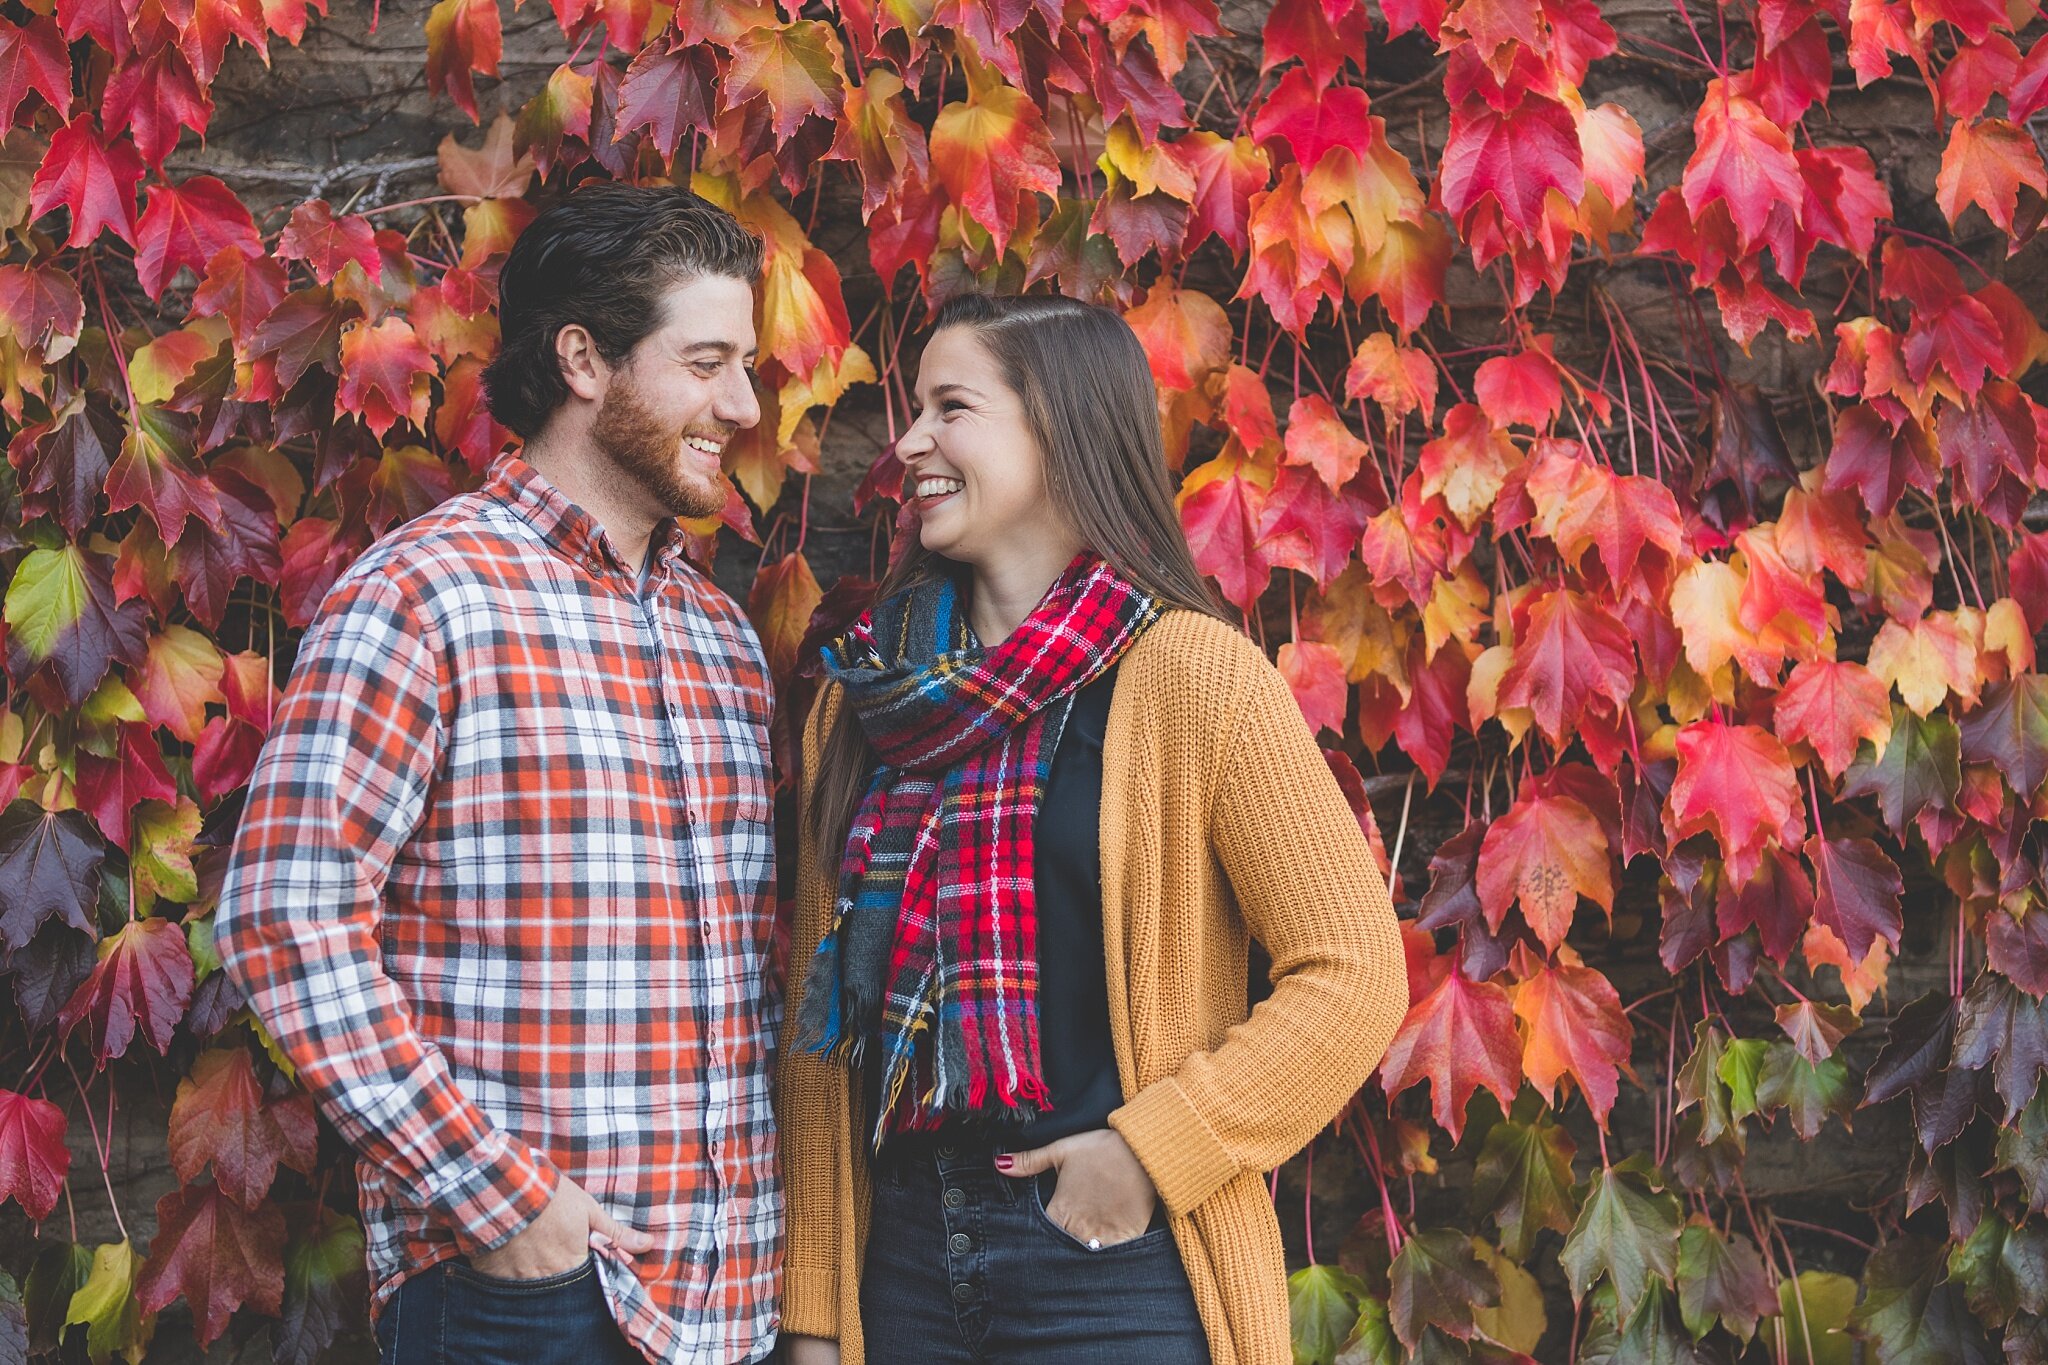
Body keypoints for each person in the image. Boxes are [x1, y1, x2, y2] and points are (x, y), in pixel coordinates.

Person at [775, 294, 1409, 1365]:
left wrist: (1152, 1151)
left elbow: (1354, 973)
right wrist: (814, 1310)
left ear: (1059, 429)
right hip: (902, 1267)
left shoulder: (1195, 679)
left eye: (951, 407)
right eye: (912, 407)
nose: (908, 442)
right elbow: (817, 1025)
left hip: (1114, 1271)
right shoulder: (863, 701)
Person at [215, 184, 781, 1365]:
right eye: (709, 361)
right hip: (525, 1300)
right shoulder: (424, 596)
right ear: (584, 358)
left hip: (724, 1303)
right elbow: (284, 918)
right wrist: (502, 1199)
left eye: (747, 366)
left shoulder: (722, 638)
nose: (743, 403)